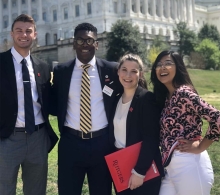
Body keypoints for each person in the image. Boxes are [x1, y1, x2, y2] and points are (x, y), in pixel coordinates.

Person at [51, 22, 122, 195]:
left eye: (89, 41)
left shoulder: (111, 70)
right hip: (71, 143)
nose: (85, 45)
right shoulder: (61, 71)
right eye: (80, 40)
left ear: (97, 44)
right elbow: (53, 103)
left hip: (102, 143)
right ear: (73, 43)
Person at [150, 50, 220, 195]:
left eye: (168, 63)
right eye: (159, 65)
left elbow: (218, 118)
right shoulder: (167, 97)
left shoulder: (184, 93)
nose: (162, 68)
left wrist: (200, 146)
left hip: (190, 165)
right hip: (170, 168)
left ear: (178, 67)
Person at [0, 14, 58, 195]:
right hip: (7, 138)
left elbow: (49, 100)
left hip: (37, 138)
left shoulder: (42, 66)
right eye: (19, 31)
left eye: (28, 31)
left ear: (35, 35)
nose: (23, 35)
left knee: (36, 191)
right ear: (12, 34)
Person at [109, 54, 164, 195]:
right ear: (118, 72)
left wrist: (140, 171)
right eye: (124, 69)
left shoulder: (147, 99)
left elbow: (151, 138)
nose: (128, 75)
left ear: (140, 74)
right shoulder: (115, 100)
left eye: (134, 71)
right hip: (120, 167)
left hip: (142, 171)